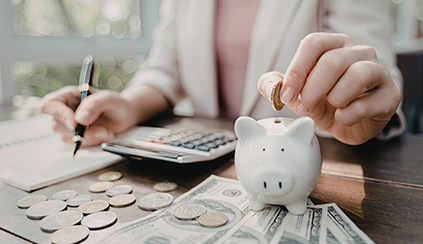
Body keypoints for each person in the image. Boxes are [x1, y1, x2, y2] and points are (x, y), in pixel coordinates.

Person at [39, 0, 405, 147]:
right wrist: (128, 104)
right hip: (208, 162)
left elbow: (371, 70)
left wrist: (362, 107)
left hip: (312, 156)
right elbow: (165, 69)